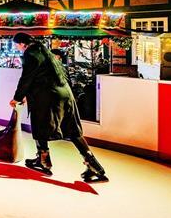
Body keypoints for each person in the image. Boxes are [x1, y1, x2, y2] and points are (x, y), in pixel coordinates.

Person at [10, 32, 108, 183]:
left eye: (17, 46)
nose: (18, 49)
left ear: (22, 44)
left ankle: (44, 161)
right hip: (65, 94)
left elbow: (26, 78)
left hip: (47, 97)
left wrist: (17, 97)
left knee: (39, 124)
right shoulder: (45, 50)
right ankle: (95, 167)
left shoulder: (30, 53)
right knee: (73, 130)